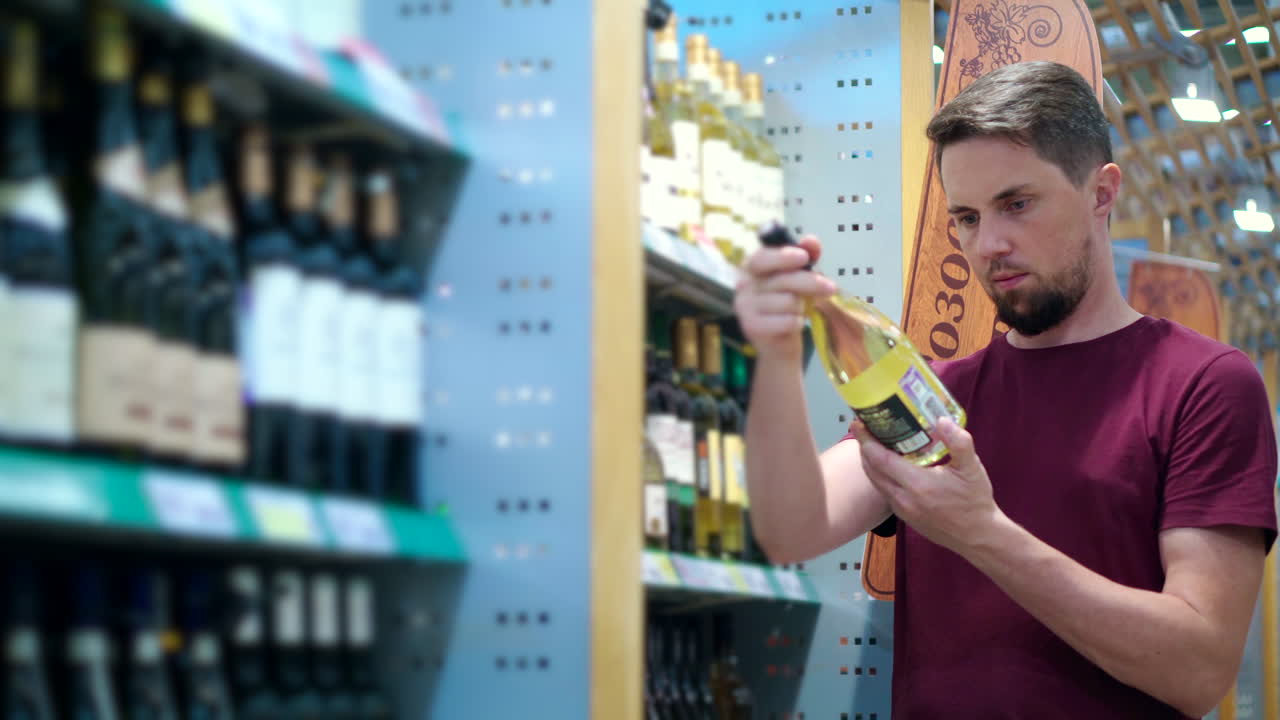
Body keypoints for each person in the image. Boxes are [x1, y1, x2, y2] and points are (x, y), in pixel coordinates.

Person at [735, 60, 1278, 719]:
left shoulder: (1203, 385)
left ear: (1102, 193)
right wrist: (775, 353)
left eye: (1016, 205)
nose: (988, 244)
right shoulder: (936, 397)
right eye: (965, 216)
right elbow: (792, 527)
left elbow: (1198, 669)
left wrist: (982, 532)